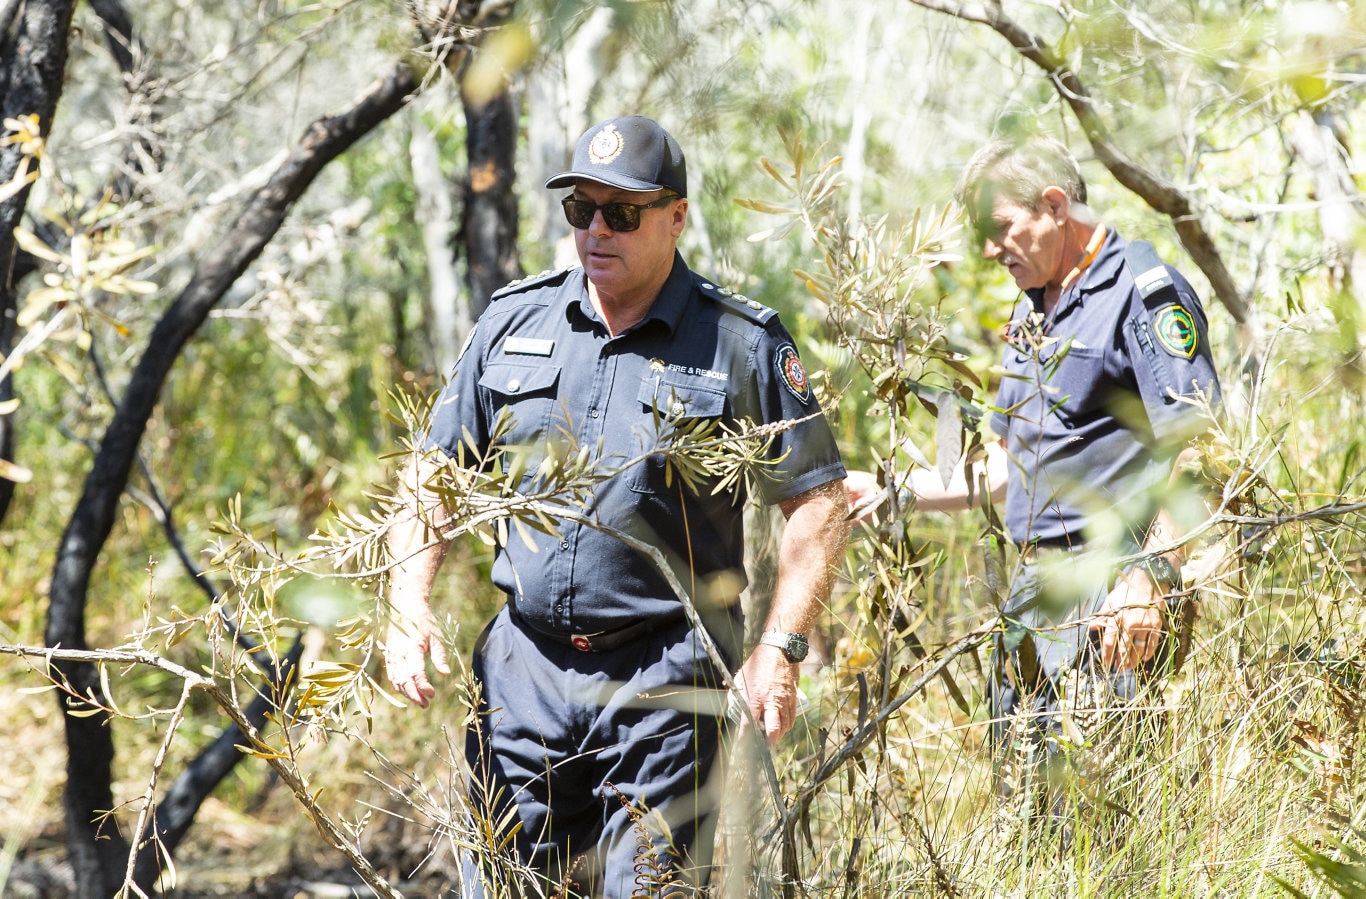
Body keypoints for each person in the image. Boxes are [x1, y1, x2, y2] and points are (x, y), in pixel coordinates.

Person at [383, 115, 849, 896]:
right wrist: (407, 601)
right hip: (522, 672)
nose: (596, 230)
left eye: (621, 213)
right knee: (501, 882)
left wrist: (781, 647)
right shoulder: (515, 320)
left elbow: (818, 499)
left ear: (676, 216)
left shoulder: (741, 341)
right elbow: (437, 472)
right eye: (580, 210)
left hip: (664, 679)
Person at [846, 135, 1221, 818]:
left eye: (1001, 229)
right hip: (1034, 601)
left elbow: (1200, 455)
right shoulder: (1032, 306)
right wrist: (892, 490)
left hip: (1114, 595)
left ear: (1054, 204)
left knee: (1110, 822)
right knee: (1028, 820)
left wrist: (1146, 581)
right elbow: (1002, 465)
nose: (992, 251)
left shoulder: (1142, 291)